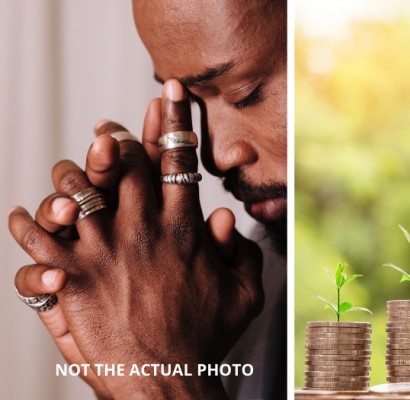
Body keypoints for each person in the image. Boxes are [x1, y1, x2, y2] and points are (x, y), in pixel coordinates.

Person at [8, 0, 287, 398]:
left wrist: (158, 381)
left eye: (245, 95)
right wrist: (132, 353)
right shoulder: (269, 281)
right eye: (192, 102)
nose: (215, 156)